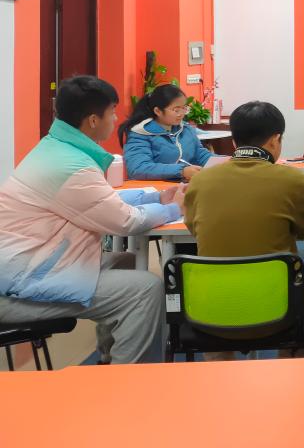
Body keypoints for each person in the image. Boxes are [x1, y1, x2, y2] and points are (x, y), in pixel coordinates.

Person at [0, 76, 183, 364]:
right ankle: (129, 380)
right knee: (145, 289)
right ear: (94, 120)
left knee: (125, 261)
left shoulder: (54, 149)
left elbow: (98, 200)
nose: (116, 119)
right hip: (20, 285)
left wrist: (157, 199)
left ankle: (107, 359)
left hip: (30, 264)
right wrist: (174, 209)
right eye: (112, 112)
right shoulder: (71, 166)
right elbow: (126, 221)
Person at [184, 100, 304, 360]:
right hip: (277, 306)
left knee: (218, 311)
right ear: (275, 140)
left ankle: (219, 372)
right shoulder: (293, 179)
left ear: (234, 141)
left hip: (209, 306)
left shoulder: (201, 180)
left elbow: (194, 228)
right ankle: (288, 370)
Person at [120, 84, 213, 181]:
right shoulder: (140, 134)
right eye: (176, 110)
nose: (181, 114)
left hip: (185, 185)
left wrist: (222, 162)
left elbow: (201, 155)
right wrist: (182, 171)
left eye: (184, 108)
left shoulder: (186, 129)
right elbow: (138, 169)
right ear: (158, 111)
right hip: (155, 188)